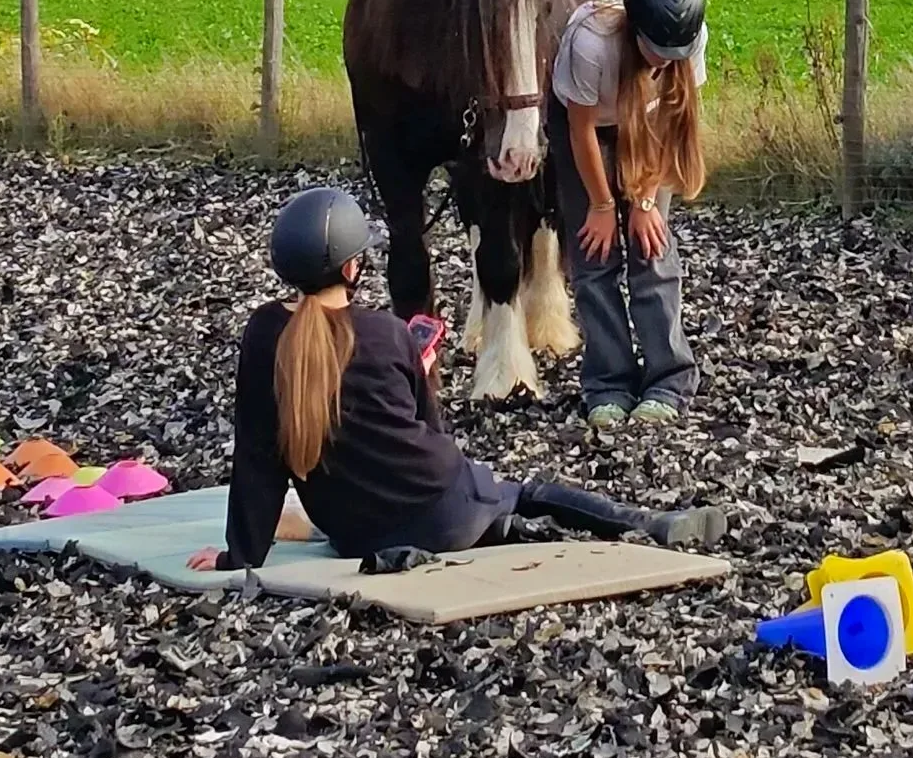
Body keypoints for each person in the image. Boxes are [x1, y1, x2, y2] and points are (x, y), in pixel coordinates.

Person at [190, 186, 725, 572]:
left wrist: (239, 556)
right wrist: (418, 375)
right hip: (442, 511)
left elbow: (258, 458)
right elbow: (432, 435)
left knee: (477, 504)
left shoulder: (263, 336)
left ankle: (500, 527)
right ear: (353, 269)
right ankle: (648, 524)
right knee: (523, 491)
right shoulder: (387, 333)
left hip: (354, 533)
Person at [549, 0, 708, 431]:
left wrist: (642, 201)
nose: (664, 59)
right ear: (635, 28)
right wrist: (601, 205)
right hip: (587, 130)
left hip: (650, 128)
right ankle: (608, 383)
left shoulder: (689, 39)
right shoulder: (590, 42)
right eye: (656, 49)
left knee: (652, 247)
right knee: (593, 255)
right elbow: (579, 130)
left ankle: (669, 379)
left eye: (673, 52)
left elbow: (671, 121)